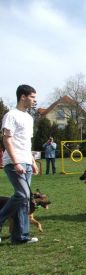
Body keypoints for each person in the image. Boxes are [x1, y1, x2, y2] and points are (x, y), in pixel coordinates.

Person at [0, 85, 39, 244]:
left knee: (24, 199)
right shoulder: (11, 115)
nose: (35, 101)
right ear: (23, 96)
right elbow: (7, 139)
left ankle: (20, 237)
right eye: (32, 97)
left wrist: (33, 161)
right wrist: (16, 162)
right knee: (23, 194)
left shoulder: (29, 118)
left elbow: (25, 143)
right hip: (14, 162)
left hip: (27, 162)